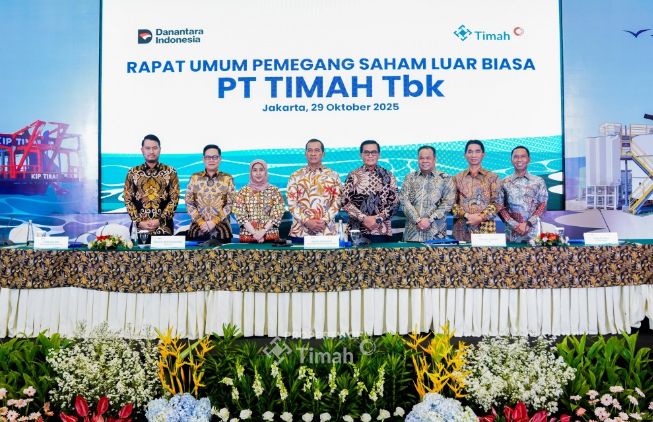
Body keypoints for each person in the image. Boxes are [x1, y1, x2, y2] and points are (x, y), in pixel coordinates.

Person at [342, 140, 399, 243]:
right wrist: (364, 218)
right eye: (366, 152)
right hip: (356, 231)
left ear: (379, 155)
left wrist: (378, 219)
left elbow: (395, 203)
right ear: (361, 155)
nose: (370, 155)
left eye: (374, 152)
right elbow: (345, 202)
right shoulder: (353, 176)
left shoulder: (389, 176)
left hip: (381, 231)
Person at [286, 139, 342, 242]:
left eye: (317, 150)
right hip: (300, 232)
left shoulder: (333, 176)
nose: (313, 153)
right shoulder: (295, 176)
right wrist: (307, 221)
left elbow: (337, 202)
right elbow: (291, 204)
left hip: (327, 233)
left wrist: (324, 221)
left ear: (323, 154)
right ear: (305, 153)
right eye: (310, 150)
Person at [123, 134, 180, 235]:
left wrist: (160, 220)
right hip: (139, 228)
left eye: (155, 148)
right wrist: (138, 221)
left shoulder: (170, 172)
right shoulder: (133, 172)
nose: (151, 152)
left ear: (160, 149)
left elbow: (174, 199)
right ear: (142, 150)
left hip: (164, 227)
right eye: (148, 148)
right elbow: (128, 199)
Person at [400, 146, 455, 241]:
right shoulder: (410, 177)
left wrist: (430, 220)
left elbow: (448, 203)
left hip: (436, 235)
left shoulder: (445, 178)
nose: (424, 161)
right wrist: (417, 220)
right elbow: (403, 200)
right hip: (412, 235)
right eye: (421, 158)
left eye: (428, 158)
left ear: (434, 159)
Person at [451, 140, 501, 242]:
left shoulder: (492, 177)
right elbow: (451, 203)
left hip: (486, 231)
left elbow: (497, 203)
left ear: (483, 155)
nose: (473, 155)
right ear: (465, 155)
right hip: (461, 231)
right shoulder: (457, 178)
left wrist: (481, 217)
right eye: (470, 151)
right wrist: (467, 215)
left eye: (477, 151)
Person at [184, 144, 235, 242]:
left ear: (220, 159)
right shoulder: (195, 178)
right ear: (203, 159)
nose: (211, 160)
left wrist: (214, 222)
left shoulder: (227, 178)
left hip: (222, 231)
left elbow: (230, 203)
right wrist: (200, 222)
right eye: (208, 157)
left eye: (215, 157)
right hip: (198, 229)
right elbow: (188, 202)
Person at [498, 146, 548, 242]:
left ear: (528, 159)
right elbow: (499, 207)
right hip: (512, 233)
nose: (519, 160)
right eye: (516, 157)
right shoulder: (504, 182)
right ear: (511, 160)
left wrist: (528, 223)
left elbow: (543, 205)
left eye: (523, 156)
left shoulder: (538, 181)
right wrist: (515, 225)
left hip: (534, 234)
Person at [233, 159, 285, 243]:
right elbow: (240, 214)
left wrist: (263, 231)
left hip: (270, 237)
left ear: (266, 172)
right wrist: (254, 233)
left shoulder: (274, 190)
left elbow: (278, 213)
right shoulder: (243, 191)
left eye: (261, 170)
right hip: (248, 238)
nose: (258, 173)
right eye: (254, 170)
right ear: (250, 172)